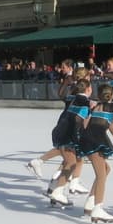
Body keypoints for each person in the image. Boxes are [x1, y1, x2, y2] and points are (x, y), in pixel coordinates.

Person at [44, 71, 94, 208]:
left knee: (69, 162)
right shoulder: (82, 99)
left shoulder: (75, 96)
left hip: (63, 129)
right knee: (72, 162)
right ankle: (61, 189)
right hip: (69, 132)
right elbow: (80, 119)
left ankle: (55, 188)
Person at [75, 84, 113, 223]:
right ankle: (98, 209)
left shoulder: (94, 106)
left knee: (106, 169)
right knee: (101, 175)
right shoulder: (112, 107)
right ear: (112, 95)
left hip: (87, 139)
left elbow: (82, 122)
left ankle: (90, 201)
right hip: (94, 141)